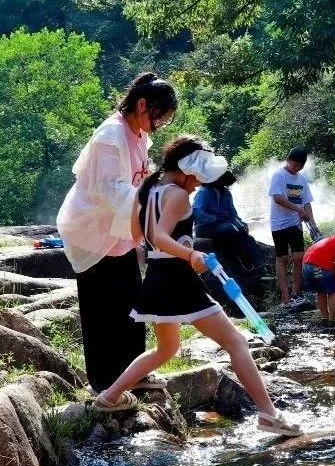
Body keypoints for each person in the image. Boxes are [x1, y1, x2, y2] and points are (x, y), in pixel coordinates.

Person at [93, 135, 302, 437]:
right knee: (237, 343)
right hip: (178, 280)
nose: (197, 186)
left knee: (166, 349)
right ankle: (269, 415)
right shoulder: (176, 194)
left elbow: (139, 235)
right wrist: (190, 253)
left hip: (156, 278)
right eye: (197, 179)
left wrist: (177, 247)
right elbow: (162, 236)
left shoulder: (148, 189)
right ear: (186, 170)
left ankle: (109, 397)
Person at [56, 72, 177, 394]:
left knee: (130, 304)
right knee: (101, 310)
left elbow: (136, 183)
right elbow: (110, 190)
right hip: (94, 231)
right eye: (159, 115)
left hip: (118, 232)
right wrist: (152, 203)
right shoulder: (112, 133)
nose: (161, 123)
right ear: (141, 105)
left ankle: (133, 374)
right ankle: (103, 382)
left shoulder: (137, 134)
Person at [193, 170, 264, 289]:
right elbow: (197, 212)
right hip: (205, 228)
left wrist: (241, 224)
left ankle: (260, 267)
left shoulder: (226, 193)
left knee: (247, 238)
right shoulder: (204, 192)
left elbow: (233, 214)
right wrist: (217, 219)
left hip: (224, 226)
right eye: (223, 182)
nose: (225, 185)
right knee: (230, 230)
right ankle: (243, 269)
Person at [269, 146, 319, 305]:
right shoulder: (278, 175)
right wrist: (298, 209)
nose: (296, 168)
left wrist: (312, 222)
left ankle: (295, 293)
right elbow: (278, 198)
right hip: (279, 223)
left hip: (295, 223)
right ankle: (285, 296)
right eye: (294, 164)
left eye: (300, 165)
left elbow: (307, 203)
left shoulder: (302, 178)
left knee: (299, 257)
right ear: (288, 160)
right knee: (282, 258)